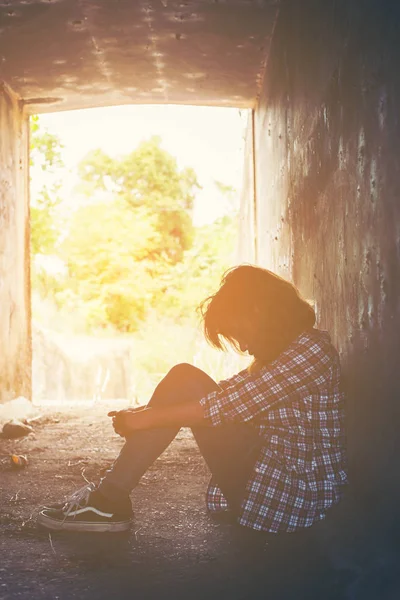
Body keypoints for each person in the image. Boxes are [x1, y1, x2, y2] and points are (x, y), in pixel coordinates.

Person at [37, 264, 348, 535]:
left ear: (258, 312)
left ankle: (108, 500)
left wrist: (145, 419)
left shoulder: (311, 351)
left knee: (185, 379)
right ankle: (108, 499)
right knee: (185, 383)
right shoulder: (288, 352)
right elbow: (229, 391)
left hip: (293, 496)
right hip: (275, 484)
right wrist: (145, 411)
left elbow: (222, 406)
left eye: (239, 332)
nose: (243, 344)